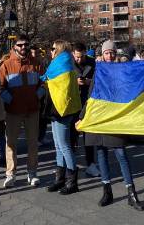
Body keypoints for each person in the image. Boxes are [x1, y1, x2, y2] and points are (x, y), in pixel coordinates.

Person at [80, 40, 144, 211]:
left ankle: (131, 193)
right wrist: (82, 116)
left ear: (116, 54)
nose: (110, 55)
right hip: (99, 117)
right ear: (102, 54)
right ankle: (107, 190)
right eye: (107, 53)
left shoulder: (121, 70)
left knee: (121, 153)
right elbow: (91, 95)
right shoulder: (98, 71)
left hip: (114, 118)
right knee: (101, 152)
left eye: (112, 53)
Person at [0, 33, 44, 188]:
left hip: (32, 110)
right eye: (20, 44)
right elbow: (0, 87)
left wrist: (37, 97)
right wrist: (11, 101)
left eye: (26, 44)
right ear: (14, 46)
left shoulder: (37, 63)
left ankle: (32, 173)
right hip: (13, 112)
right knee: (11, 143)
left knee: (33, 143)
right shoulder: (6, 65)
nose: (23, 47)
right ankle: (10, 174)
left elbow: (44, 83)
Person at [43, 40, 81, 195]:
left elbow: (59, 86)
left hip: (61, 110)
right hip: (57, 109)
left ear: (58, 49)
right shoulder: (64, 62)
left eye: (52, 48)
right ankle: (60, 179)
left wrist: (45, 81)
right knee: (58, 145)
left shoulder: (62, 64)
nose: (50, 51)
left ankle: (72, 182)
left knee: (64, 145)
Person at [71, 41, 99, 178]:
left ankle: (91, 164)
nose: (79, 59)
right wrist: (74, 81)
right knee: (72, 136)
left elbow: (98, 79)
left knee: (88, 135)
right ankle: (71, 164)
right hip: (73, 102)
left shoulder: (92, 63)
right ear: (73, 54)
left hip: (88, 102)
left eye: (81, 57)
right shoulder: (69, 63)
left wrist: (89, 82)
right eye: (76, 57)